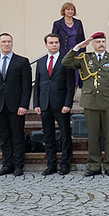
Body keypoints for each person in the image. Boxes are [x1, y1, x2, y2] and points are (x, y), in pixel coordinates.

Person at [63, 31, 109, 177]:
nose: (101, 44)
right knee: (93, 136)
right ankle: (94, 166)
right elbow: (66, 62)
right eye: (98, 42)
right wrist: (77, 47)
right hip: (91, 102)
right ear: (92, 44)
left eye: (103, 41)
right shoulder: (85, 58)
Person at [0, 33, 32, 177]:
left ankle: (18, 165)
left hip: (16, 106)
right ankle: (7, 165)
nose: (7, 44)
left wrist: (24, 105)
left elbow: (26, 86)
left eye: (9, 41)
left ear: (12, 43)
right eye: (4, 42)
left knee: (17, 136)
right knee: (4, 137)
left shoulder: (22, 61)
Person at [33, 33, 76, 176]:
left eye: (56, 42)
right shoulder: (40, 62)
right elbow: (38, 84)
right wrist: (36, 103)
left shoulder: (66, 61)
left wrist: (68, 104)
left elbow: (70, 85)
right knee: (48, 136)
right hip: (44, 104)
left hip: (61, 104)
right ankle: (51, 164)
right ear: (46, 44)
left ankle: (65, 164)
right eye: (51, 42)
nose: (54, 45)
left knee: (65, 135)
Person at [51, 1, 85, 88]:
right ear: (64, 11)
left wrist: (83, 52)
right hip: (63, 52)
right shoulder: (58, 24)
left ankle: (73, 97)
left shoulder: (78, 22)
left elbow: (82, 38)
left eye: (72, 9)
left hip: (76, 52)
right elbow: (54, 38)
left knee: (76, 74)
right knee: (64, 73)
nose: (70, 11)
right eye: (68, 9)